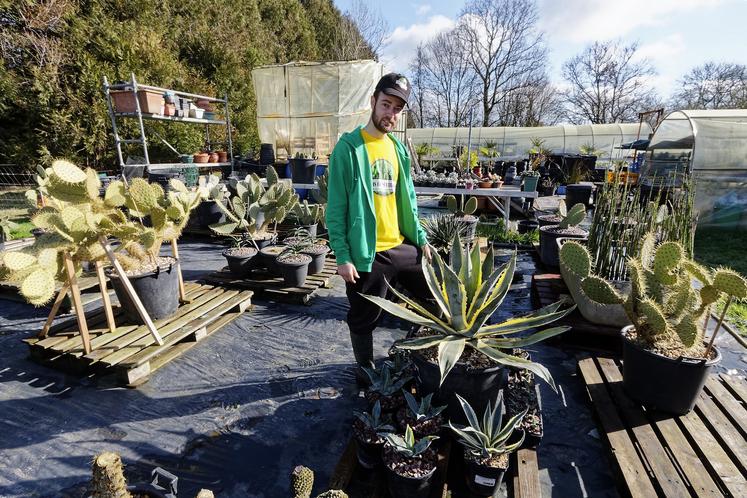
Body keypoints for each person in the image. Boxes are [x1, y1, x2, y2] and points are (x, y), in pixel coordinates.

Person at [326, 73, 431, 382]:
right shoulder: (349, 149)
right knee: (363, 319)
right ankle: (365, 372)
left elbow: (409, 200)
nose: (391, 114)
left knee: (432, 302)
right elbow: (335, 210)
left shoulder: (398, 150)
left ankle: (413, 355)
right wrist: (342, 256)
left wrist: (421, 240)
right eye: (386, 104)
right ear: (373, 102)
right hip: (367, 254)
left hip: (400, 246)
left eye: (397, 109)